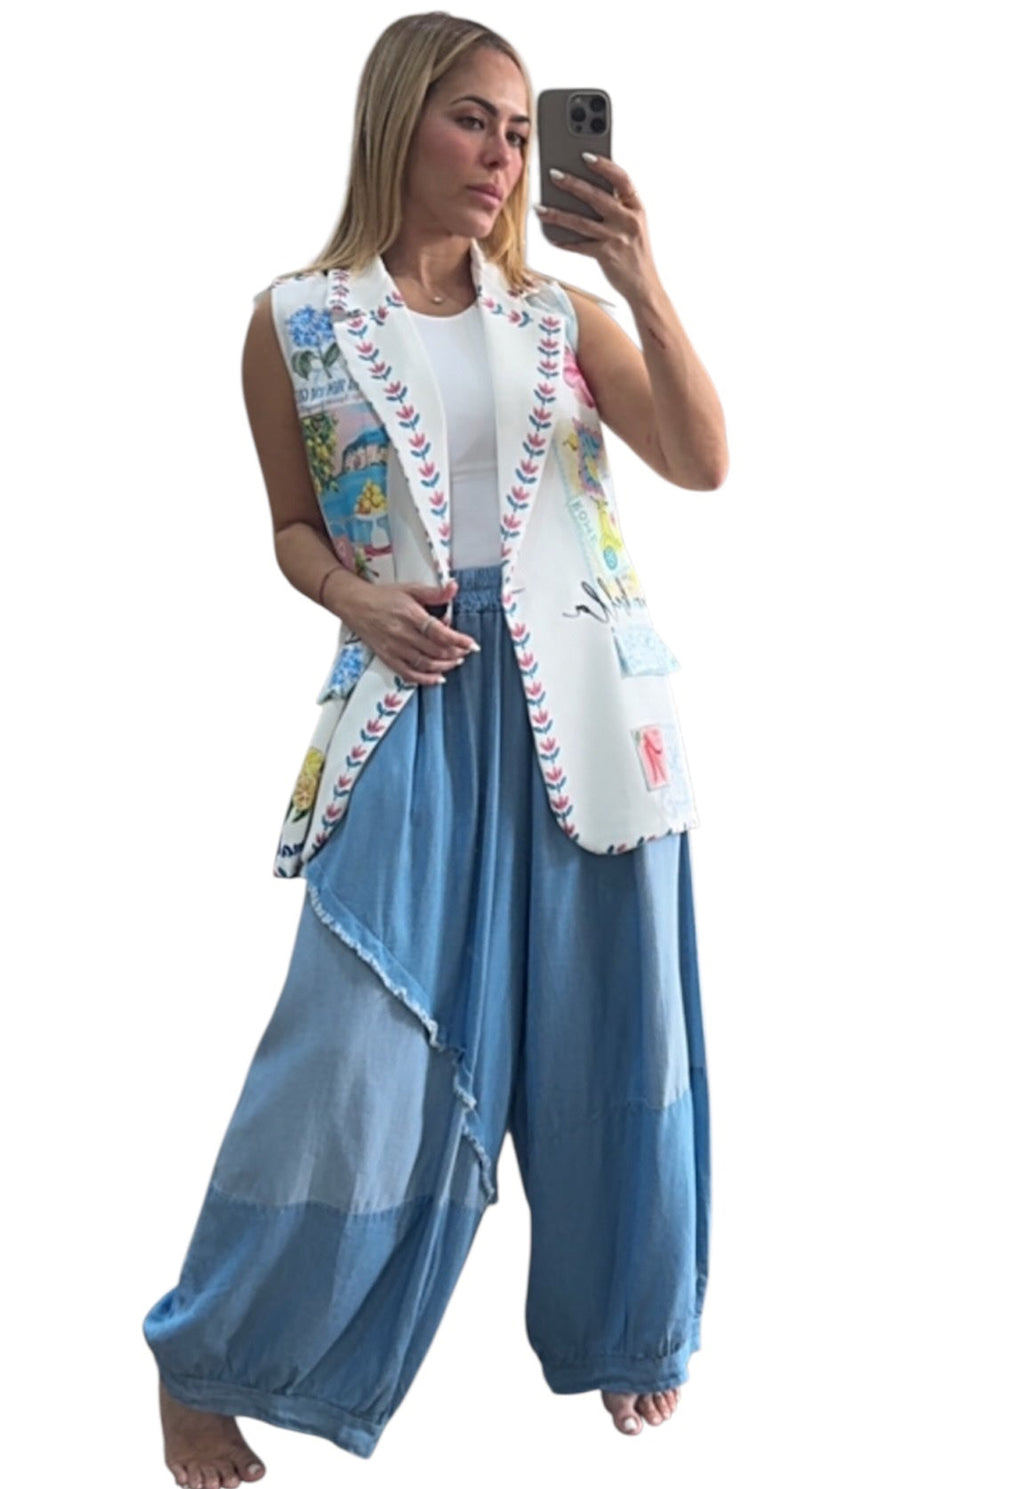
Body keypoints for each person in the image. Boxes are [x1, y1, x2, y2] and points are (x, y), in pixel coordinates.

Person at [143, 10, 728, 1484]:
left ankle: (628, 1323)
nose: (505, 155)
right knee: (349, 1052)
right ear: (399, 120)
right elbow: (291, 524)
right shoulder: (295, 320)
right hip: (413, 700)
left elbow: (702, 459)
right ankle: (209, 1358)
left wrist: (640, 275)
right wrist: (353, 598)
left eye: (522, 131)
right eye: (475, 119)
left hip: (588, 706)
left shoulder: (559, 317)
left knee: (616, 1024)